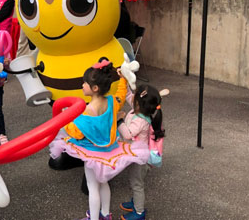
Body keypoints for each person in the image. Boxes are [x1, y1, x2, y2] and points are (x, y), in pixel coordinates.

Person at [49, 60, 147, 220]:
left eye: (84, 83)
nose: (82, 85)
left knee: (92, 187)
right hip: (109, 151)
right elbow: (121, 97)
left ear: (94, 88)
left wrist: (64, 117)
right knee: (103, 183)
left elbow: (76, 133)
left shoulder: (87, 111)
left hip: (92, 154)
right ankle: (105, 214)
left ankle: (94, 218)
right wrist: (123, 79)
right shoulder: (111, 102)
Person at [118, 85, 164, 220]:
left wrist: (119, 119)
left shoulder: (140, 120)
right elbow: (128, 96)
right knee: (134, 181)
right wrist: (124, 82)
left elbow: (127, 134)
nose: (132, 99)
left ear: (139, 103)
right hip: (135, 155)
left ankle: (139, 212)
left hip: (140, 159)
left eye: (135, 96)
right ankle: (135, 203)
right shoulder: (139, 110)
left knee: (137, 184)